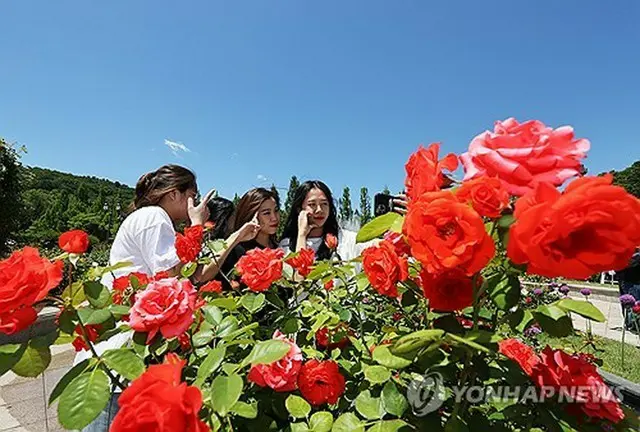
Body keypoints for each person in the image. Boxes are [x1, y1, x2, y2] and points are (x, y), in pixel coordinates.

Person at [78, 164, 215, 432]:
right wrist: (197, 223)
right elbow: (171, 275)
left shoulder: (149, 217)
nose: (195, 203)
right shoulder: (154, 216)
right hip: (119, 349)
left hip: (122, 342)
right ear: (174, 194)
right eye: (193, 195)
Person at [214, 188, 281, 286]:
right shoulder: (237, 251)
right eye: (267, 213)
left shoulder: (279, 247)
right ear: (251, 215)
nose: (274, 218)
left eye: (276, 211)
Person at [279, 180, 359, 261]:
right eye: (312, 204)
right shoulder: (286, 246)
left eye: (324, 204)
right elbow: (299, 271)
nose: (319, 210)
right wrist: (302, 235)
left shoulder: (349, 240)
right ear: (299, 209)